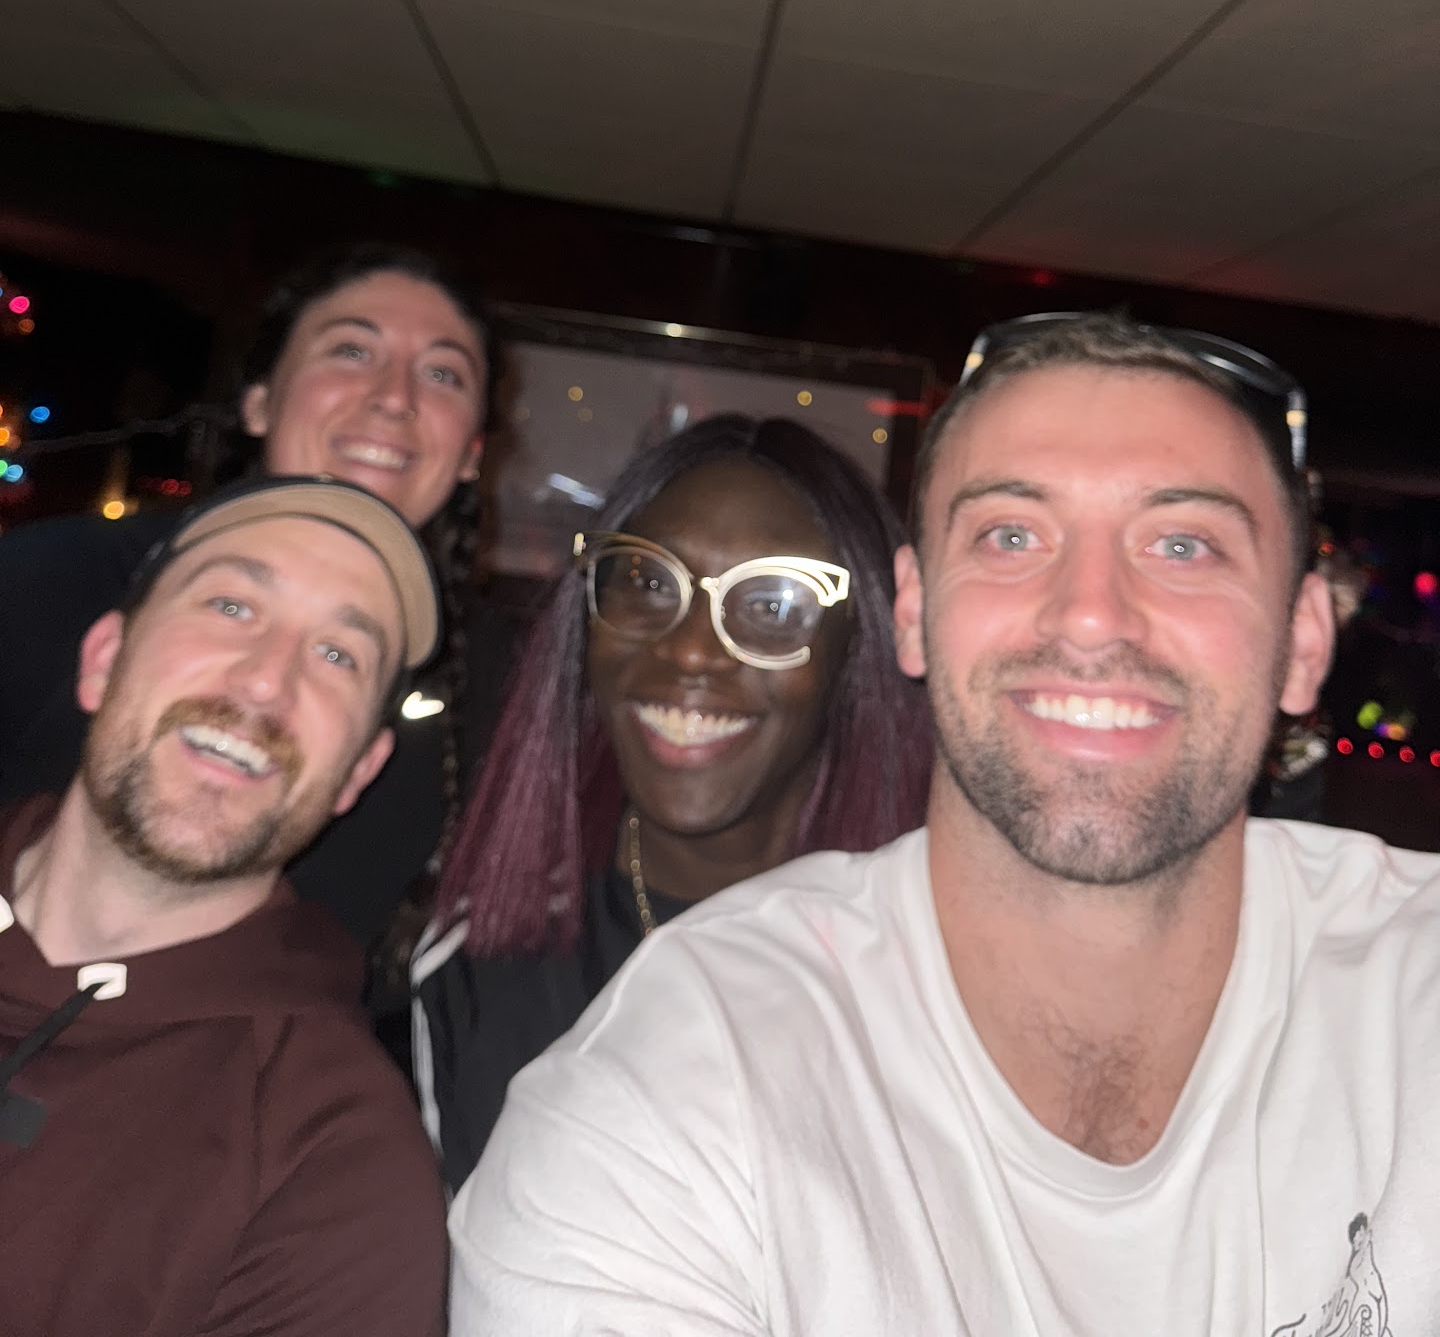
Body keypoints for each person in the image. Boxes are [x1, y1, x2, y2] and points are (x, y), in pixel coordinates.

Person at [450, 313, 1440, 1334]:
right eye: (1011, 536)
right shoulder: (663, 1096)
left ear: (1305, 641)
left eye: (1182, 545)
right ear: (914, 613)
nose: (1090, 613)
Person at [413, 413, 932, 1195]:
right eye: (649, 583)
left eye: (773, 605)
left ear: (858, 650)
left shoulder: (934, 973)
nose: (690, 649)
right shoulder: (484, 961)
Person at [0, 476, 449, 1336]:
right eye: (232, 606)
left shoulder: (334, 1167)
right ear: (104, 659)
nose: (266, 682)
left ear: (357, 772)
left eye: (338, 656)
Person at [0, 242, 512, 948]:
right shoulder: (46, 579)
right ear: (259, 401)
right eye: (351, 351)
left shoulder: (501, 689)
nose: (395, 398)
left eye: (442, 374)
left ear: (473, 454)